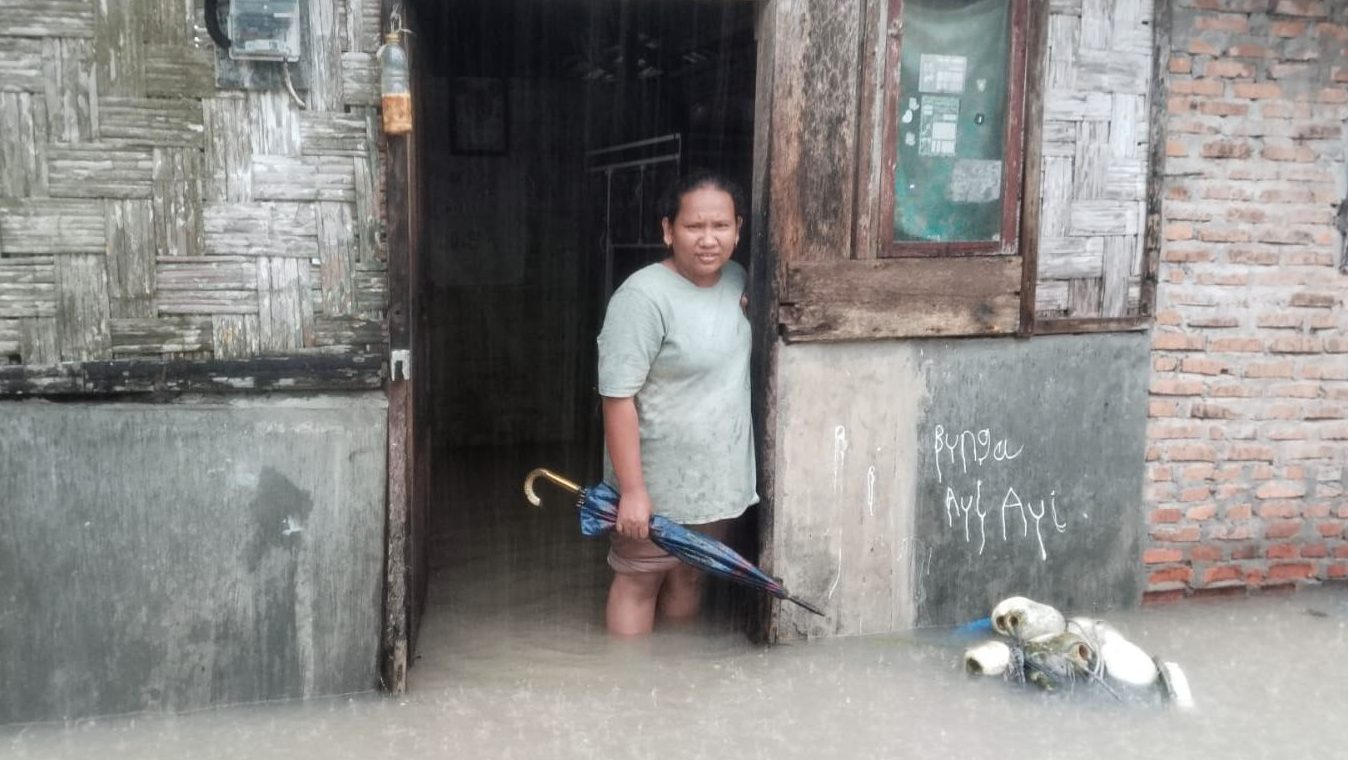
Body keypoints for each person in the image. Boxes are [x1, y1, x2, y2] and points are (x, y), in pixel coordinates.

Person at [596, 170, 759, 636]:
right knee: (639, 580)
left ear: (738, 229)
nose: (708, 239)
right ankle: (628, 688)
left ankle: (673, 686)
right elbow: (617, 397)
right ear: (668, 230)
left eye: (721, 226)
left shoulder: (738, 281)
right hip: (656, 484)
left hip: (716, 484)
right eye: (694, 227)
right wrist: (633, 490)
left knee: (691, 575)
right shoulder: (642, 297)